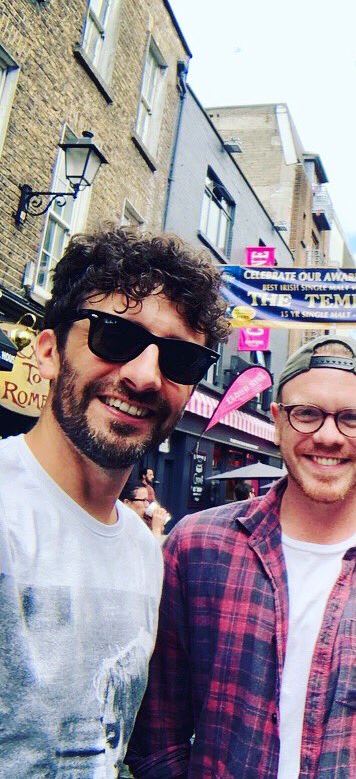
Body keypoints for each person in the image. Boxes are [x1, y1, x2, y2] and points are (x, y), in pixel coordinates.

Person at [128, 335, 356, 778]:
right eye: (306, 414)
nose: (328, 436)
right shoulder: (196, 548)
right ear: (277, 421)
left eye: (353, 418)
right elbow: (158, 737)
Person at [0, 225, 228, 776]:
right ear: (49, 351)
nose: (146, 376)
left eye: (179, 360)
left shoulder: (144, 551)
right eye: (115, 338)